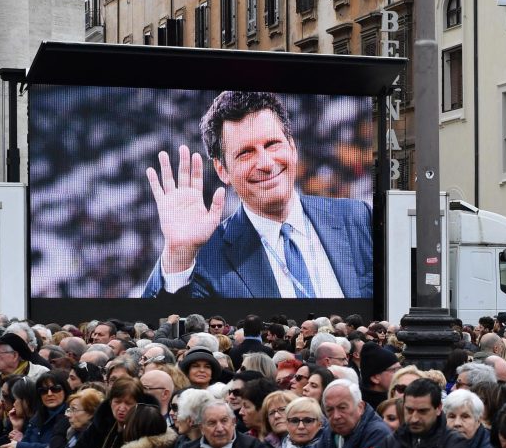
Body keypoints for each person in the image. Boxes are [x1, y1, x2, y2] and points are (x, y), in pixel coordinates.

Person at [141, 91, 373, 299]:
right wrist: (178, 255)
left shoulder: (356, 218)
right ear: (222, 170)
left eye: (272, 144)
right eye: (245, 153)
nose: (265, 163)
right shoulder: (208, 258)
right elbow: (166, 333)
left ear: (292, 147)